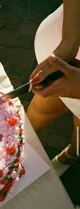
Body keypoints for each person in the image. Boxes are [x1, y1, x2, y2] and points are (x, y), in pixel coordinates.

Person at [27, 0, 80, 176]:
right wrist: (69, 43)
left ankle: (71, 154)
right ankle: (18, 149)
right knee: (42, 106)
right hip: (60, 39)